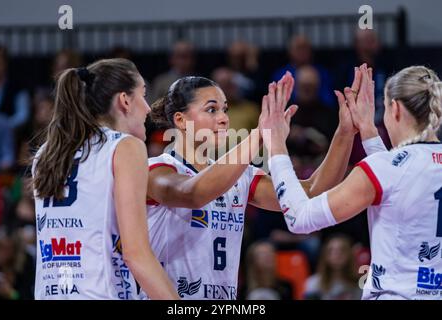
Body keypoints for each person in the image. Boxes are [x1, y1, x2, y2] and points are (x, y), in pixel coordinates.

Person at [141, 69, 361, 300]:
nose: (224, 118)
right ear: (181, 120)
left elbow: (310, 192)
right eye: (212, 109)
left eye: (224, 109)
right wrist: (259, 134)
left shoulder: (240, 175)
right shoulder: (155, 170)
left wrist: (345, 132)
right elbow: (193, 193)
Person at [260, 64, 442, 300]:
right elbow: (398, 177)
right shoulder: (392, 167)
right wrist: (367, 129)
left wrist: (276, 146)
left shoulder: (385, 169)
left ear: (394, 109)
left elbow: (300, 218)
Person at [31, 58, 178, 300]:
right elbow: (136, 255)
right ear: (125, 100)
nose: (149, 108)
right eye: (143, 95)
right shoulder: (125, 147)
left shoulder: (47, 151)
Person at [304, 234, 361, 300]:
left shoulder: (359, 283)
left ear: (349, 255)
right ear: (325, 255)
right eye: (332, 251)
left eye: (342, 250)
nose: (337, 254)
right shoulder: (313, 283)